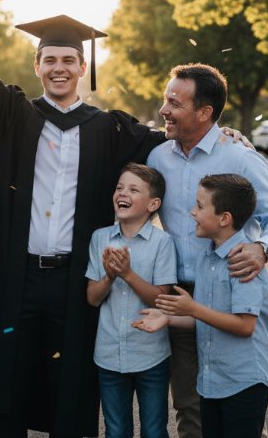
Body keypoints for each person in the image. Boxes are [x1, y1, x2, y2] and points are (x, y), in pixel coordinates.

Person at [0, 0, 167, 437]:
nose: (59, 67)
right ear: (37, 64)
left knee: (73, 389)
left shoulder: (110, 129)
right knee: (12, 388)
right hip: (18, 276)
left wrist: (224, 137)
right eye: (50, 59)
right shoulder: (17, 115)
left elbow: (170, 148)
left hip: (76, 280)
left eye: (68, 59)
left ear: (83, 68)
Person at [146, 64, 268, 438]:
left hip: (231, 294)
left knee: (239, 401)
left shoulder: (240, 158)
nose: (164, 109)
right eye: (165, 99)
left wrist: (263, 248)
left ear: (204, 112)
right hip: (181, 295)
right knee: (191, 407)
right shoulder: (158, 157)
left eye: (174, 103)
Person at [134, 174, 268, 438]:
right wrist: (169, 319)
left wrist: (192, 308)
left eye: (199, 206)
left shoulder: (243, 261)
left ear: (224, 218)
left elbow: (245, 325)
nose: (192, 212)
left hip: (244, 382)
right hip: (212, 383)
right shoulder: (206, 257)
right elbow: (207, 318)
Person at [86, 163, 177, 438]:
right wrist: (110, 277)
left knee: (153, 429)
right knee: (115, 430)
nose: (122, 193)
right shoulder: (100, 238)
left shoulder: (162, 243)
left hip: (151, 355)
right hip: (109, 353)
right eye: (119, 187)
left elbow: (163, 299)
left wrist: (127, 274)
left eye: (133, 189)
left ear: (153, 203)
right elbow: (92, 298)